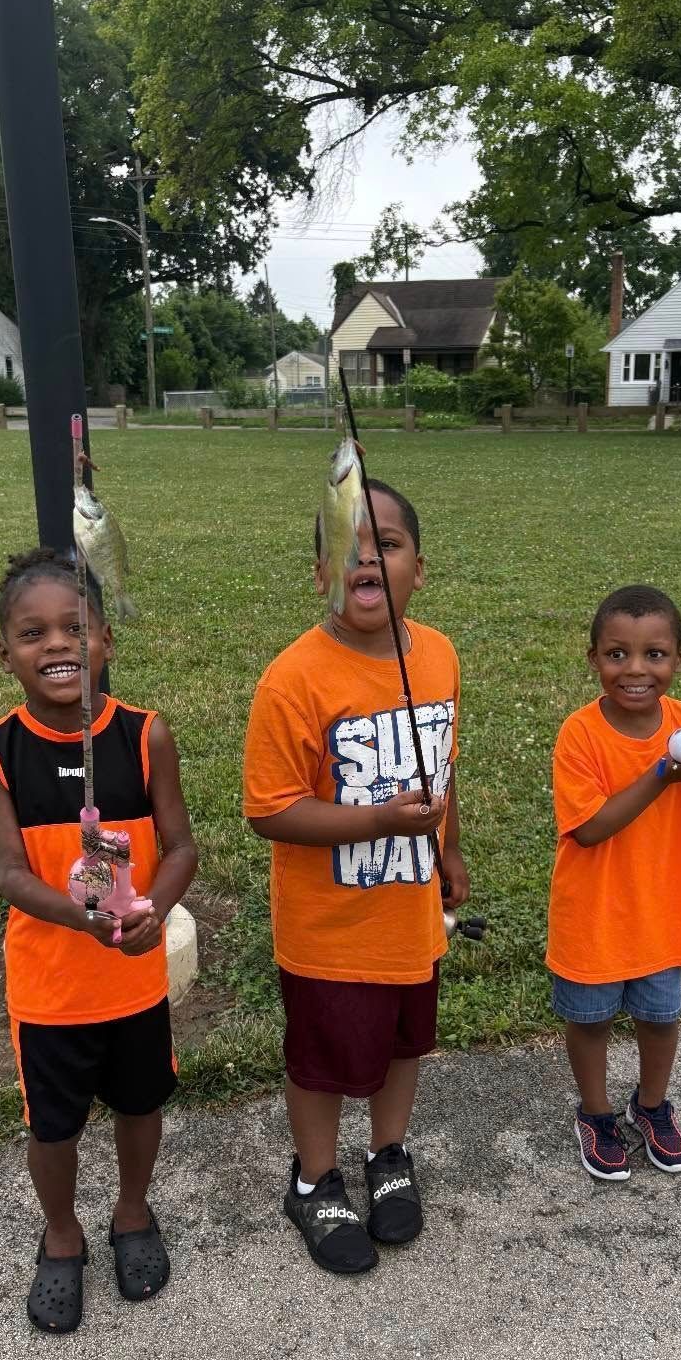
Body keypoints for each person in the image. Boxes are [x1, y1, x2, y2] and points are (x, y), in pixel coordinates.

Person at [243, 479, 469, 1276]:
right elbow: (268, 810)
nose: (365, 556)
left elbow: (442, 769)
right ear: (318, 575)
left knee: (404, 1042)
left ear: (418, 569)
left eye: (387, 543)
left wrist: (447, 847)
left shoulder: (438, 655)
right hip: (326, 929)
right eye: (345, 544)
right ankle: (313, 1180)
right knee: (322, 1059)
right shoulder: (293, 679)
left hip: (408, 913)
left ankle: (387, 1153)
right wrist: (375, 821)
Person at [0, 548, 198, 1332]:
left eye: (75, 626)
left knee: (140, 1103)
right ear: (5, 653)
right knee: (53, 1124)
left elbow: (180, 848)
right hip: (51, 988)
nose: (57, 644)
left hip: (132, 979)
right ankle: (61, 1232)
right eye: (33, 633)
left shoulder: (144, 735)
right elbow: (8, 872)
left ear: (105, 638)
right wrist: (83, 918)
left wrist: (151, 913)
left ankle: (132, 1211)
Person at [547, 584, 681, 1182]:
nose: (635, 669)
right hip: (594, 912)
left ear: (679, 660)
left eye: (655, 655)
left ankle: (650, 1105)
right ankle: (596, 1113)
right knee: (591, 1019)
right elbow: (591, 829)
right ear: (594, 658)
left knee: (659, 1017)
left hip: (663, 910)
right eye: (617, 653)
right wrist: (662, 775)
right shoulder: (579, 734)